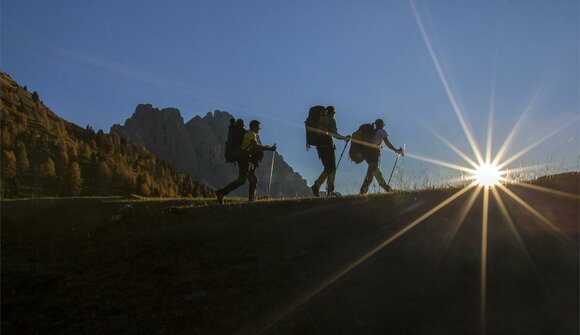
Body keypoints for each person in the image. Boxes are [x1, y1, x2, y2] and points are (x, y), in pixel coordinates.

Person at [216, 120, 276, 203]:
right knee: (243, 180)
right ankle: (221, 193)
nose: (260, 128)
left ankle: (251, 200)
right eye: (259, 127)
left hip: (244, 158)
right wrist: (270, 149)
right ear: (254, 127)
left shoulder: (248, 134)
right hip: (244, 158)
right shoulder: (251, 134)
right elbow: (255, 147)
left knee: (252, 179)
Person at [311, 105, 351, 197]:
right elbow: (334, 134)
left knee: (329, 168)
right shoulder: (331, 120)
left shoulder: (321, 122)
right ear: (332, 112)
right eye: (334, 112)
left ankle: (328, 190)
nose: (335, 114)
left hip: (320, 147)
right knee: (331, 168)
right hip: (328, 146)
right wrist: (344, 138)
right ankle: (318, 186)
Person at [360, 118, 404, 195]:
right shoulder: (381, 131)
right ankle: (363, 191)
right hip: (373, 153)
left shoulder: (373, 132)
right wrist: (396, 150)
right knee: (372, 173)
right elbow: (387, 143)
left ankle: (387, 189)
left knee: (374, 172)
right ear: (381, 125)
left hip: (367, 153)